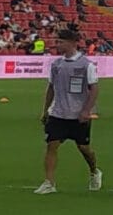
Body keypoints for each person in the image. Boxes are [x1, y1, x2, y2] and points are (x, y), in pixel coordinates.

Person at [35, 27, 101, 194]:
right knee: (52, 145)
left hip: (79, 115)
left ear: (72, 43)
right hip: (58, 113)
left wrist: (86, 110)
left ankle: (94, 171)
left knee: (84, 148)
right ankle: (49, 182)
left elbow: (94, 89)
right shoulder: (56, 65)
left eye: (60, 42)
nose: (57, 44)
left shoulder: (87, 65)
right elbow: (51, 87)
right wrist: (45, 110)